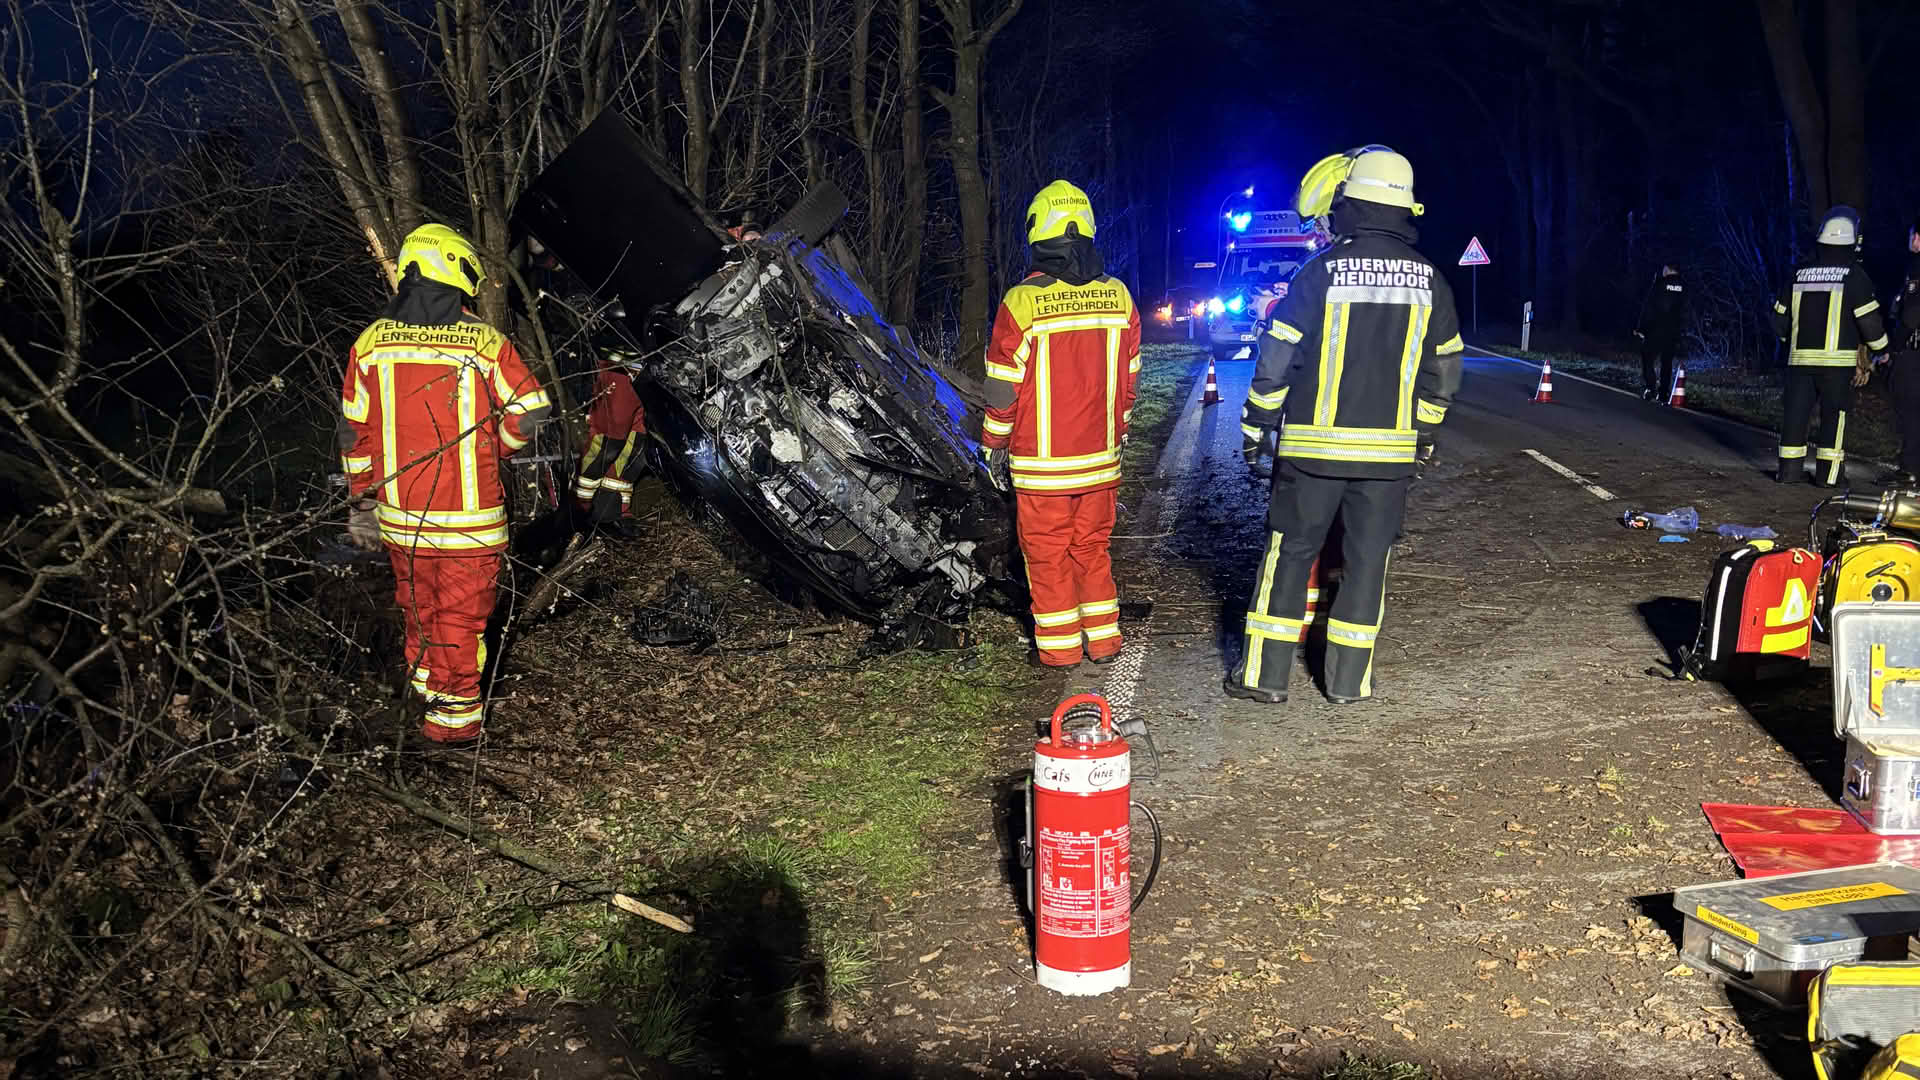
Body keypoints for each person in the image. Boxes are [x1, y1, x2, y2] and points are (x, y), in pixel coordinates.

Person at [1227, 146, 1462, 705]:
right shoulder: (1431, 281)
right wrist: (1424, 435)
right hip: (1388, 462)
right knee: (1367, 567)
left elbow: (1279, 357)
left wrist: (1258, 426)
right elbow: (1445, 371)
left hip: (1312, 455)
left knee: (1289, 557)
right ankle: (1348, 683)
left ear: (1350, 203)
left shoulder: (1319, 273)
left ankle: (1264, 677)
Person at [339, 223, 552, 745]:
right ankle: (453, 731)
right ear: (455, 269)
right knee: (459, 625)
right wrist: (492, 448)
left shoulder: (369, 344)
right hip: (469, 524)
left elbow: (352, 431)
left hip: (399, 521)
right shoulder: (482, 340)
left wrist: (362, 496)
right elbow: (530, 411)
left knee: (420, 615)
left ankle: (425, 706)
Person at [980, 180, 1141, 667]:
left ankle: (1060, 651)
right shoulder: (1119, 297)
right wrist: (1120, 434)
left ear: (1037, 233)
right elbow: (1130, 381)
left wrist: (994, 442)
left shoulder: (1023, 302)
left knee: (1047, 556)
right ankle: (1106, 641)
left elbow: (1002, 386)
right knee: (1092, 549)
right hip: (1100, 461)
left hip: (1043, 466)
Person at [1772, 206, 1889, 487]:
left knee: (1795, 417)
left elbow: (1778, 322)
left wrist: (1791, 343)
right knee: (1834, 418)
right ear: (1853, 241)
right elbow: (1870, 323)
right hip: (1836, 366)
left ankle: (1788, 473)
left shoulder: (1799, 273)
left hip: (1799, 363)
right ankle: (1829, 476)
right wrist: (1881, 350)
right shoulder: (1855, 276)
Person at [572, 347, 648, 536]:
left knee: (636, 447)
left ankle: (611, 511)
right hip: (622, 366)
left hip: (654, 372)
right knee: (608, 443)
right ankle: (579, 511)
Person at [1885, 218, 1920, 487]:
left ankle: (1909, 470)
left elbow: (1910, 315)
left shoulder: (1917, 269)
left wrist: (1893, 346)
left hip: (1913, 353)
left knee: (1909, 410)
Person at [1635, 264, 1687, 402]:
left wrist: (1641, 328)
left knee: (1647, 357)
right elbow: (1685, 311)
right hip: (1673, 332)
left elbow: (1650, 308)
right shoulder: (1684, 287)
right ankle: (1663, 394)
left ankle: (1650, 389)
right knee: (1667, 363)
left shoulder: (1660, 284)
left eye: (1664, 269)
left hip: (1656, 330)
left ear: (1667, 269)